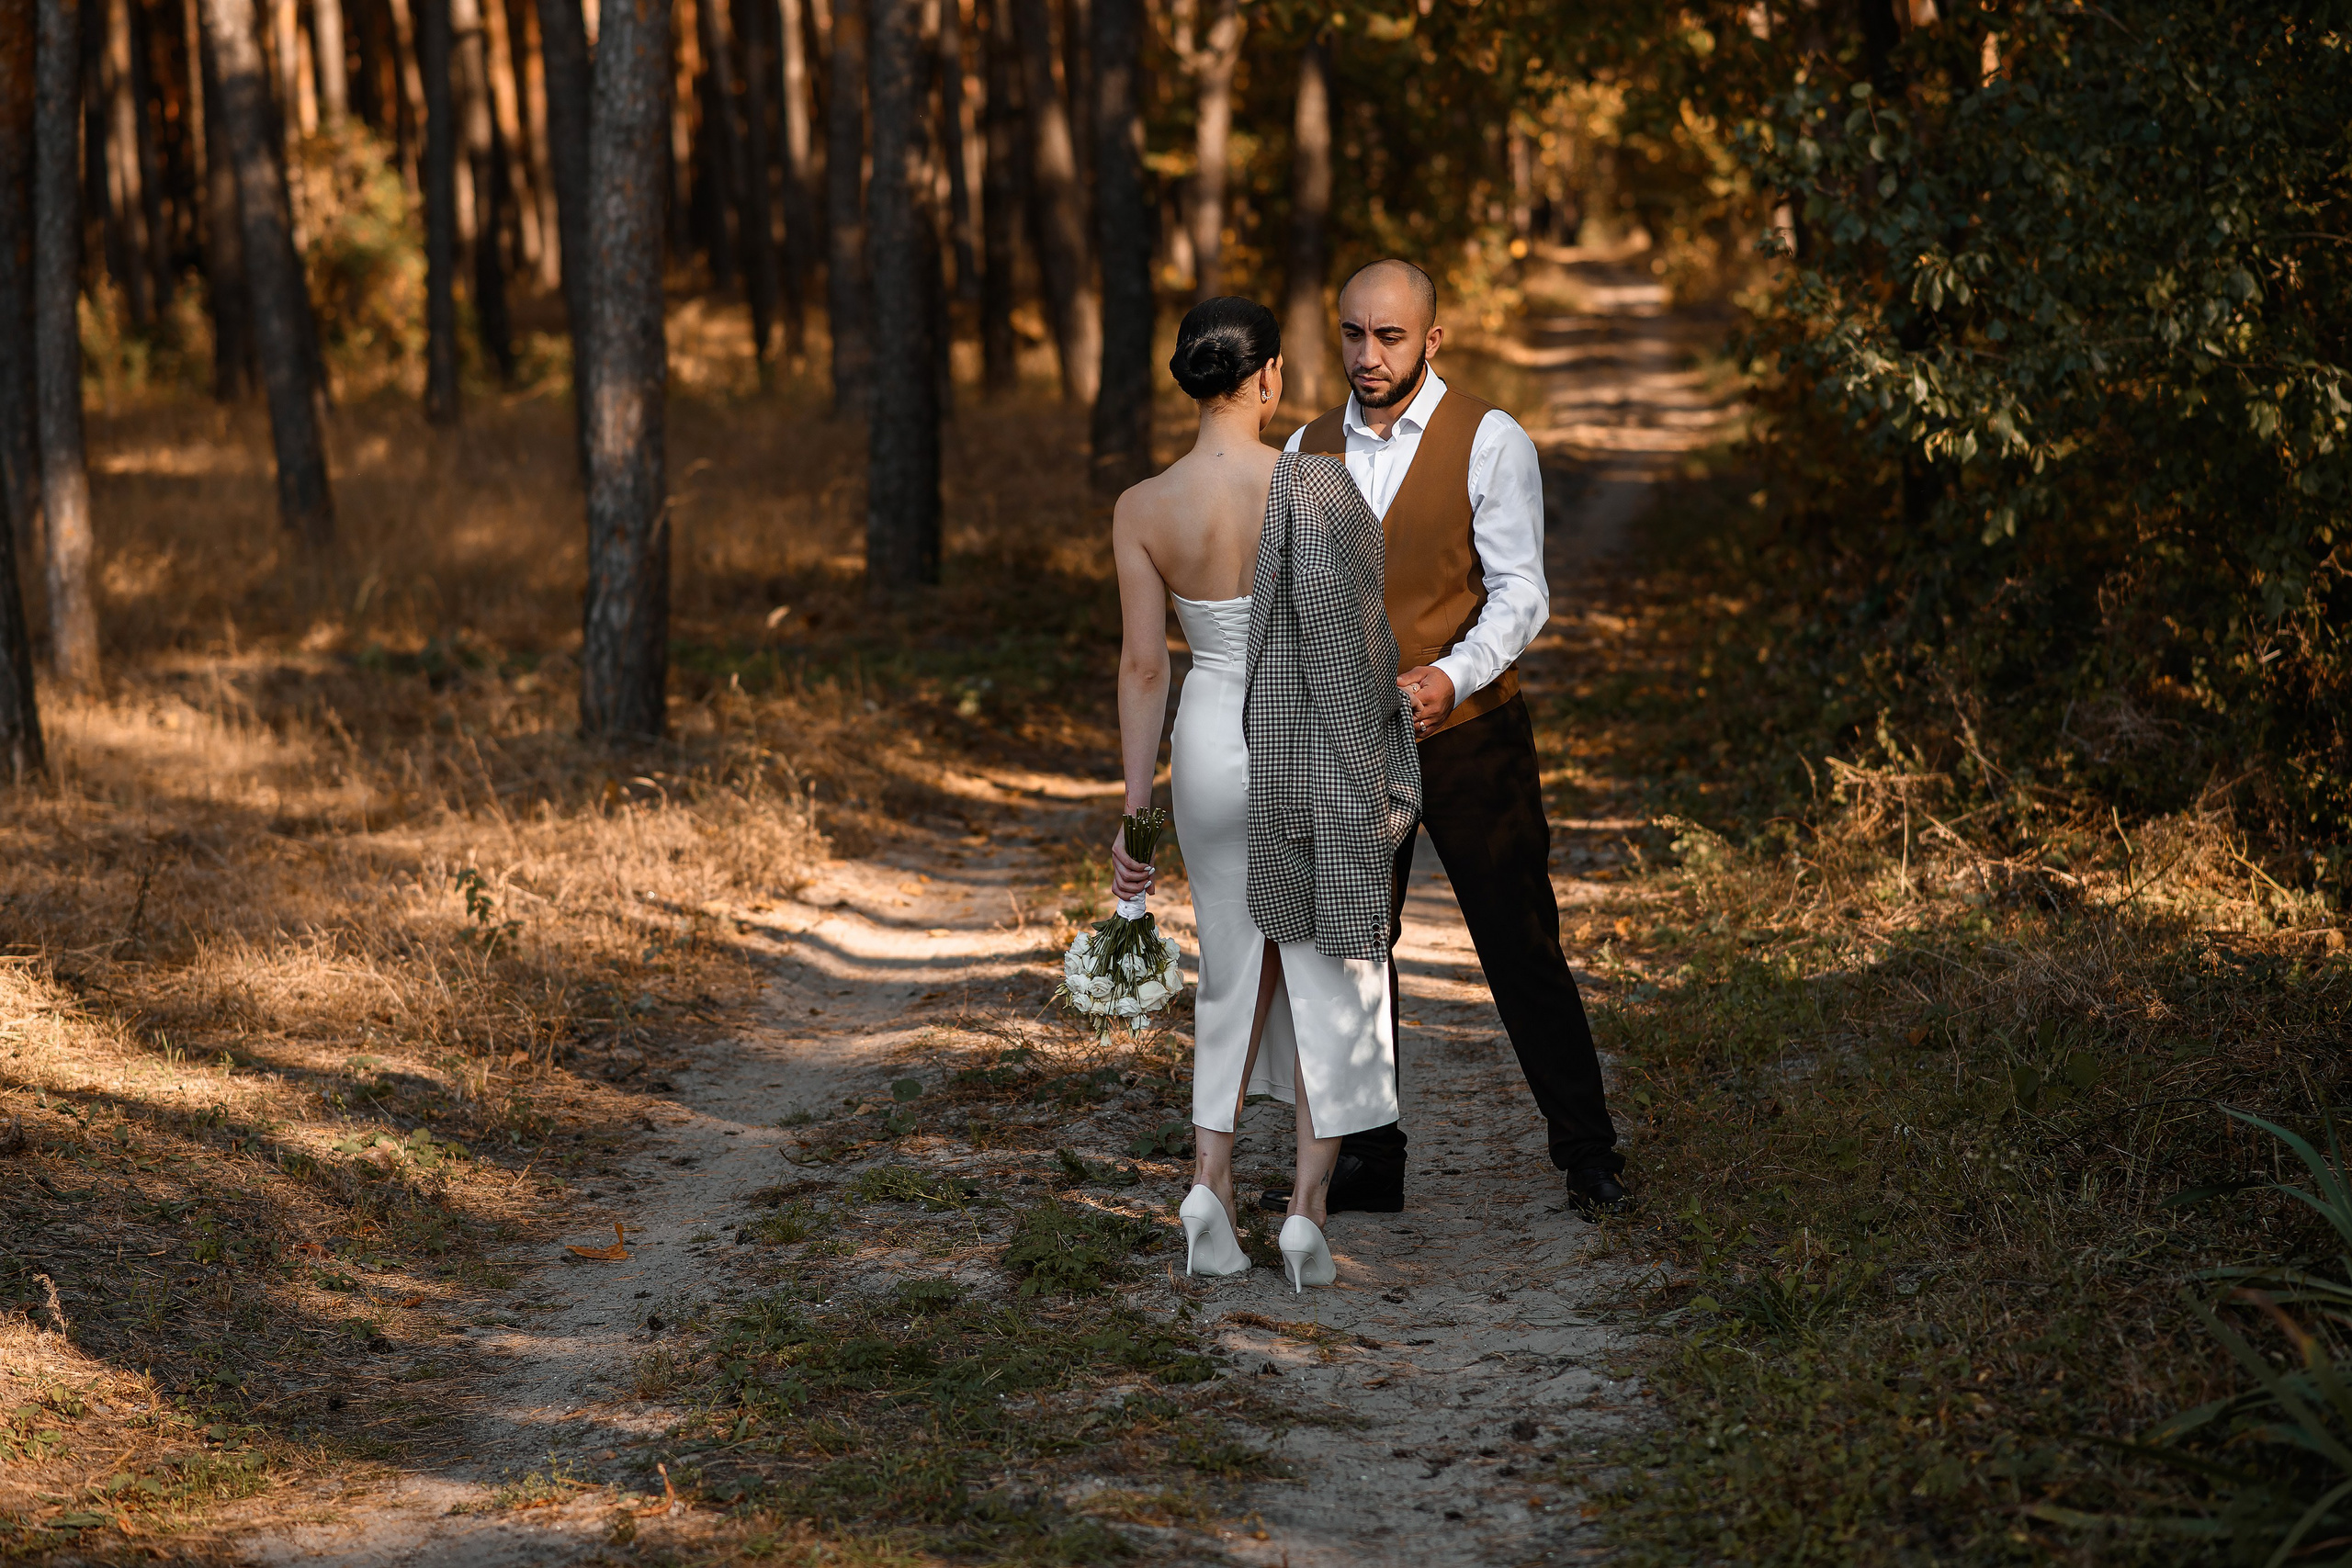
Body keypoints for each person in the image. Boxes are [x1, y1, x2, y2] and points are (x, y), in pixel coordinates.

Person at [1256, 258, 1629, 1219]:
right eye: (1352, 333)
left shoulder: (1490, 439)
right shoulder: (1302, 449)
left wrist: (1450, 676)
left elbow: (1521, 591)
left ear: (1431, 339)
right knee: (1354, 948)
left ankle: (1588, 1153)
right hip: (1346, 742)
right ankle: (1371, 1158)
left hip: (1472, 735)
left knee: (1519, 941)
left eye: (1388, 336)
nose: (1367, 354)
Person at [1105, 297, 1413, 1292]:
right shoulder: (1321, 486)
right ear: (1270, 375)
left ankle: (1209, 1184)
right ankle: (1307, 1212)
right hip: (1307, 740)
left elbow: (1144, 667)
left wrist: (1135, 816)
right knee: (1331, 969)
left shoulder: (1143, 507)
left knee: (1231, 968)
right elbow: (1360, 644)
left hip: (1206, 738)